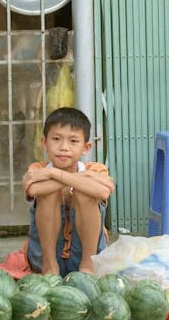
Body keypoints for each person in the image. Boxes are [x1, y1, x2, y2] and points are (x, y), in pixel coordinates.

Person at [23, 107, 115, 275]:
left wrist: (54, 174)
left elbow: (103, 192)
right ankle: (50, 267)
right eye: (56, 139)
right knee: (49, 193)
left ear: (86, 147)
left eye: (73, 141)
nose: (64, 147)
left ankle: (88, 266)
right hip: (43, 257)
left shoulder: (94, 168)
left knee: (85, 193)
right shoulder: (37, 168)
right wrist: (81, 178)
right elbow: (34, 188)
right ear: (44, 143)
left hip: (89, 256)